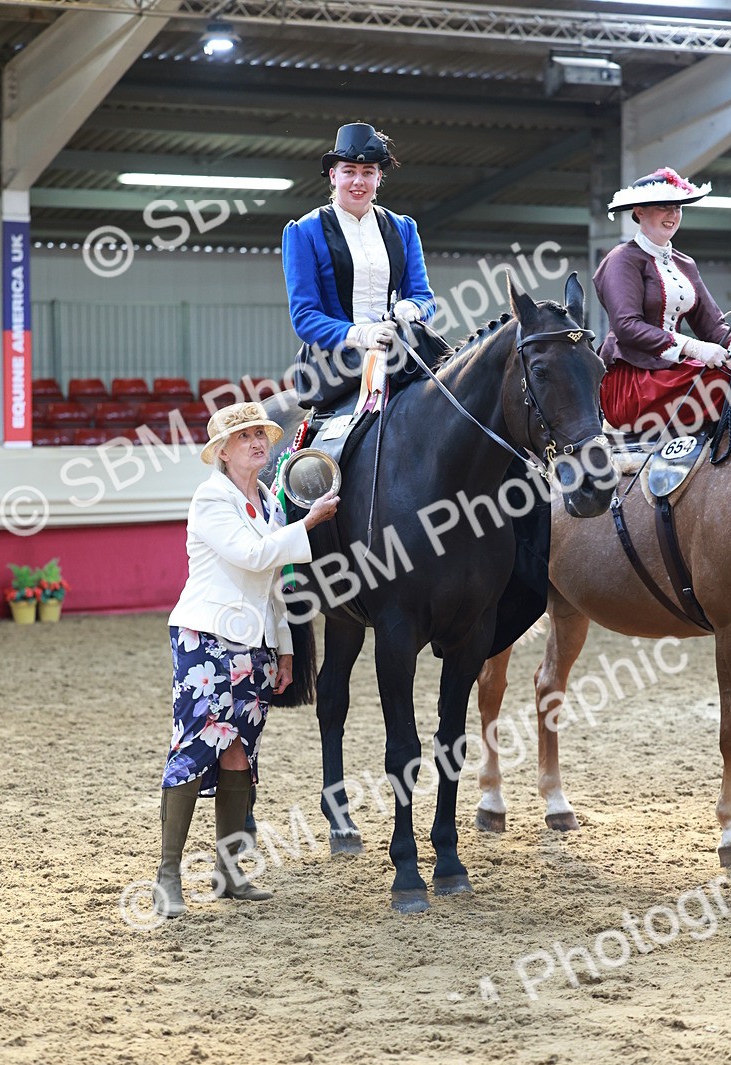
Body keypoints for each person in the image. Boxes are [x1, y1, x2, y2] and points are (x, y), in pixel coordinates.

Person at [153, 401, 338, 919]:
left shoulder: (267, 503)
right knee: (194, 750)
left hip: (252, 643)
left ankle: (230, 872)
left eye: (262, 435)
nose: (259, 443)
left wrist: (283, 650)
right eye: (246, 437)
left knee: (239, 753)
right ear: (224, 452)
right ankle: (167, 878)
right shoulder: (212, 498)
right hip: (204, 638)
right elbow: (254, 556)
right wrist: (314, 522)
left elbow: (273, 586)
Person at [593, 166, 731, 434]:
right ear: (639, 212)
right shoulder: (621, 260)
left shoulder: (685, 263)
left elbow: (712, 325)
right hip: (631, 382)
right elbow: (627, 327)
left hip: (672, 371)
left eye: (677, 208)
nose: (673, 214)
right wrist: (694, 349)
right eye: (664, 206)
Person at [281, 121, 437, 406]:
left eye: (368, 172)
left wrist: (409, 309)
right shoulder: (304, 232)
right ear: (333, 175)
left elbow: (425, 298)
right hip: (337, 360)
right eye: (349, 171)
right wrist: (361, 334)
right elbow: (305, 316)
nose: (358, 181)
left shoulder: (404, 228)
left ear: (378, 178)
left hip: (400, 347)